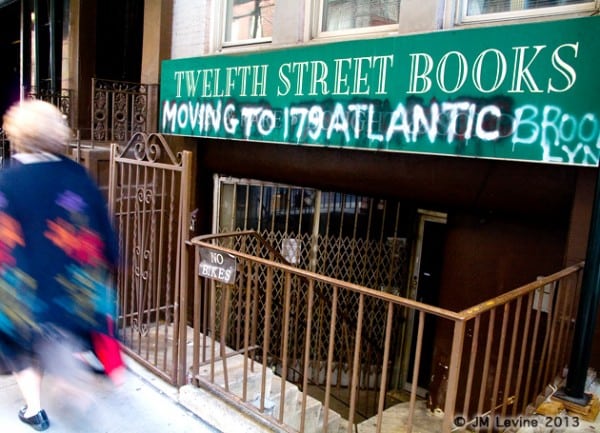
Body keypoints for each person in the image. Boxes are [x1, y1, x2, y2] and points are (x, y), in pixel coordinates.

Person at [0, 100, 124, 431]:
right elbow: (100, 223)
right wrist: (113, 257)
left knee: (21, 347)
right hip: (72, 284)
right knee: (66, 331)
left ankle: (36, 410)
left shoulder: (6, 181)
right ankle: (73, 375)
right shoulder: (76, 174)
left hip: (24, 289)